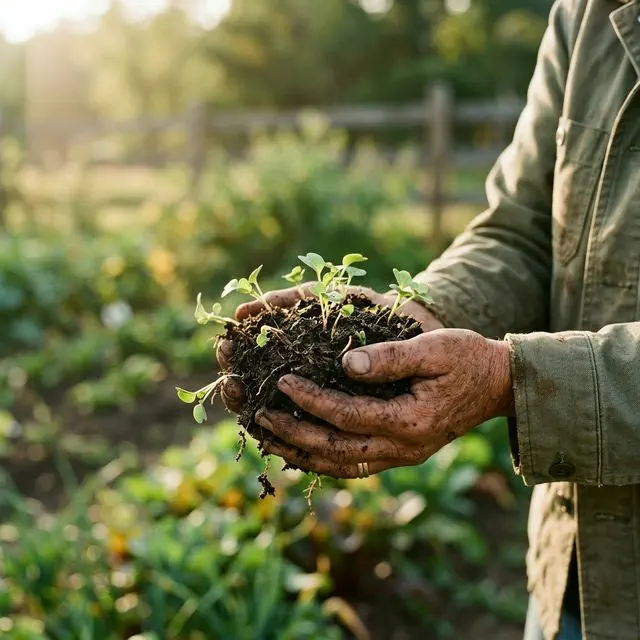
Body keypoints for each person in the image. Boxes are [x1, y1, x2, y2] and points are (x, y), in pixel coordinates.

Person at [217, 1, 640, 638]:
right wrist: (422, 313)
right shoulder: (587, 12)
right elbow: (521, 231)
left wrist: (513, 380)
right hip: (576, 574)